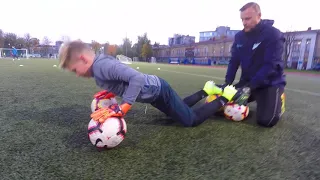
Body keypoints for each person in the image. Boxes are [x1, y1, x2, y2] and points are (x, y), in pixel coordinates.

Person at [58, 40, 244, 127]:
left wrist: (124, 107)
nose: (77, 75)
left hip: (157, 90)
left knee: (190, 120)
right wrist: (111, 92)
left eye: (75, 70)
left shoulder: (101, 66)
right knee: (175, 114)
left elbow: (136, 78)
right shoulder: (98, 70)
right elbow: (119, 80)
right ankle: (205, 90)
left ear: (83, 58)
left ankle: (223, 98)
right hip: (153, 94)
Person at [220, 2, 286, 127]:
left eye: (248, 18)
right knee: (221, 107)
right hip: (247, 82)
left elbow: (271, 65)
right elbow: (234, 61)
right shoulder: (239, 36)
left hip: (269, 83)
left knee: (266, 121)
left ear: (259, 16)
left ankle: (279, 100)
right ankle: (253, 95)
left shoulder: (273, 34)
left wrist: (250, 87)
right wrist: (228, 83)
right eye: (242, 19)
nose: (244, 22)